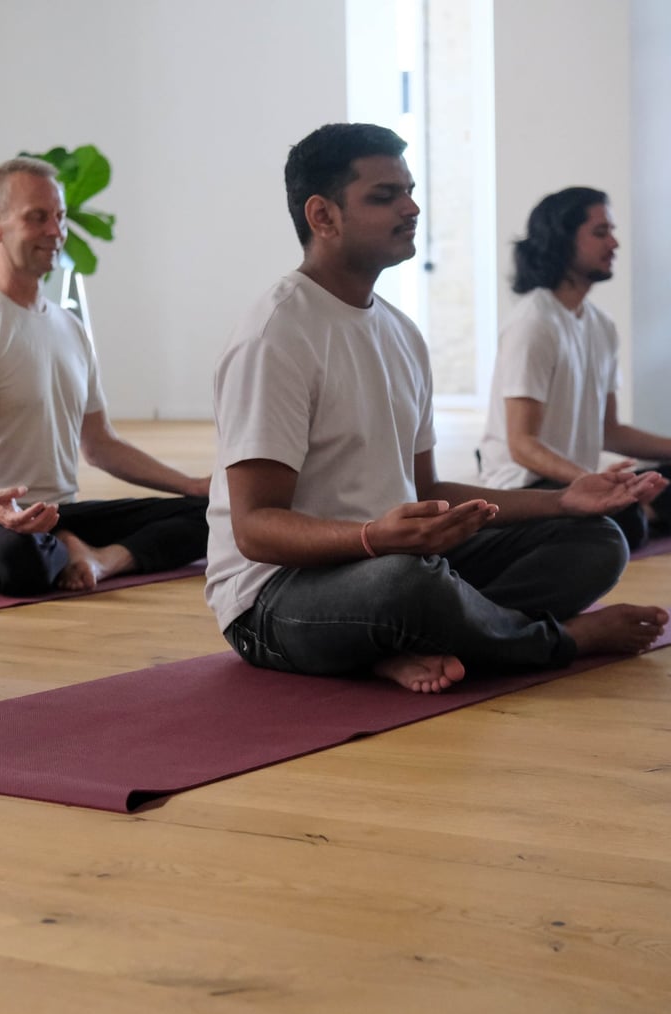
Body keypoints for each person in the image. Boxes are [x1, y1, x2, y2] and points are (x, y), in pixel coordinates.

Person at [205, 124, 668, 694]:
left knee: (597, 539)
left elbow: (427, 489)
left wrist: (564, 500)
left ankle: (418, 638)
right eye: (385, 196)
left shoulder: (402, 333)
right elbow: (255, 529)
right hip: (276, 598)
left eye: (410, 191)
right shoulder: (275, 335)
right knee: (406, 586)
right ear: (322, 216)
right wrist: (374, 538)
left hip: (399, 558)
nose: (412, 208)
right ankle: (556, 640)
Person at [0, 156, 209, 596]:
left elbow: (100, 444)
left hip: (55, 515)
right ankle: (63, 549)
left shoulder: (70, 328)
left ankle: (101, 559)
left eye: (59, 217)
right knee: (16, 558)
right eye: (37, 217)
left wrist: (192, 485)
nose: (56, 231)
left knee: (212, 514)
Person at [479, 186, 671, 549]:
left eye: (611, 231)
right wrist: (593, 481)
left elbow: (609, 430)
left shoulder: (601, 325)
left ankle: (643, 513)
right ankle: (643, 514)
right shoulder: (534, 323)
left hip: (576, 480)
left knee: (635, 504)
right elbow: (522, 444)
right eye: (601, 232)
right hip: (526, 486)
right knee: (613, 528)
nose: (614, 243)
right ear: (562, 240)